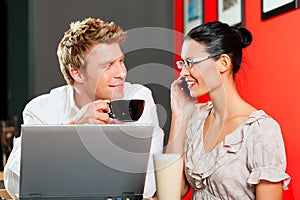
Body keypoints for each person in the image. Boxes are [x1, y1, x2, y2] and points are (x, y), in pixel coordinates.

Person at [4, 17, 164, 199]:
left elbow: (148, 184)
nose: (121, 73)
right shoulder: (42, 109)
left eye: (121, 61)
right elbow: (15, 182)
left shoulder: (136, 99)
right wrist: (73, 130)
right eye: (108, 65)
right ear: (77, 73)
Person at [167, 21, 290, 199]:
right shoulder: (196, 118)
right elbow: (171, 193)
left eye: (191, 63)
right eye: (183, 63)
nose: (183, 73)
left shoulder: (260, 130)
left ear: (223, 63)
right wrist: (179, 116)